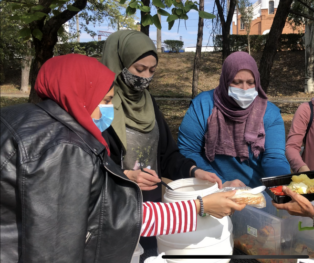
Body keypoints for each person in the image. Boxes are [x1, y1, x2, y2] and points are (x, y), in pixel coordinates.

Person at [0, 54, 246, 263]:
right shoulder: (63, 147)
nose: (109, 110)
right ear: (79, 95)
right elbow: (98, 222)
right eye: (105, 101)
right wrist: (199, 207)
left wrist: (121, 176)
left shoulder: (23, 119)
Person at [100, 31, 245, 260]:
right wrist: (125, 175)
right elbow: (93, 167)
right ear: (120, 63)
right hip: (114, 213)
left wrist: (194, 171)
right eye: (139, 69)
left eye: (152, 71)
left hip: (155, 213)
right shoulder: (100, 108)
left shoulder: (149, 104)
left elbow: (167, 156)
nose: (145, 77)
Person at [178, 51, 291, 188]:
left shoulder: (269, 113)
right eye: (236, 82)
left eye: (250, 83)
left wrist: (279, 183)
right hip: (211, 188)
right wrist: (221, 183)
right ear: (225, 80)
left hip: (256, 192)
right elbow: (187, 150)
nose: (244, 89)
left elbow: (274, 158)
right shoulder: (203, 105)